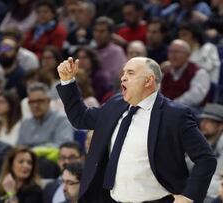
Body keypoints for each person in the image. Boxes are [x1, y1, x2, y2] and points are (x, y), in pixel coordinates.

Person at [56, 56, 216, 202]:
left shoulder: (174, 115)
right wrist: (67, 82)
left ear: (148, 81)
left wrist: (189, 196)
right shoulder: (115, 104)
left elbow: (206, 159)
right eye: (123, 72)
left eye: (130, 73)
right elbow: (81, 118)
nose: (123, 77)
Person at [17, 82, 73, 148]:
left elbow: (63, 146)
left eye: (40, 101)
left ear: (48, 101)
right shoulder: (25, 123)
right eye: (32, 102)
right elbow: (19, 147)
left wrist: (33, 151)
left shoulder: (62, 119)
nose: (35, 105)